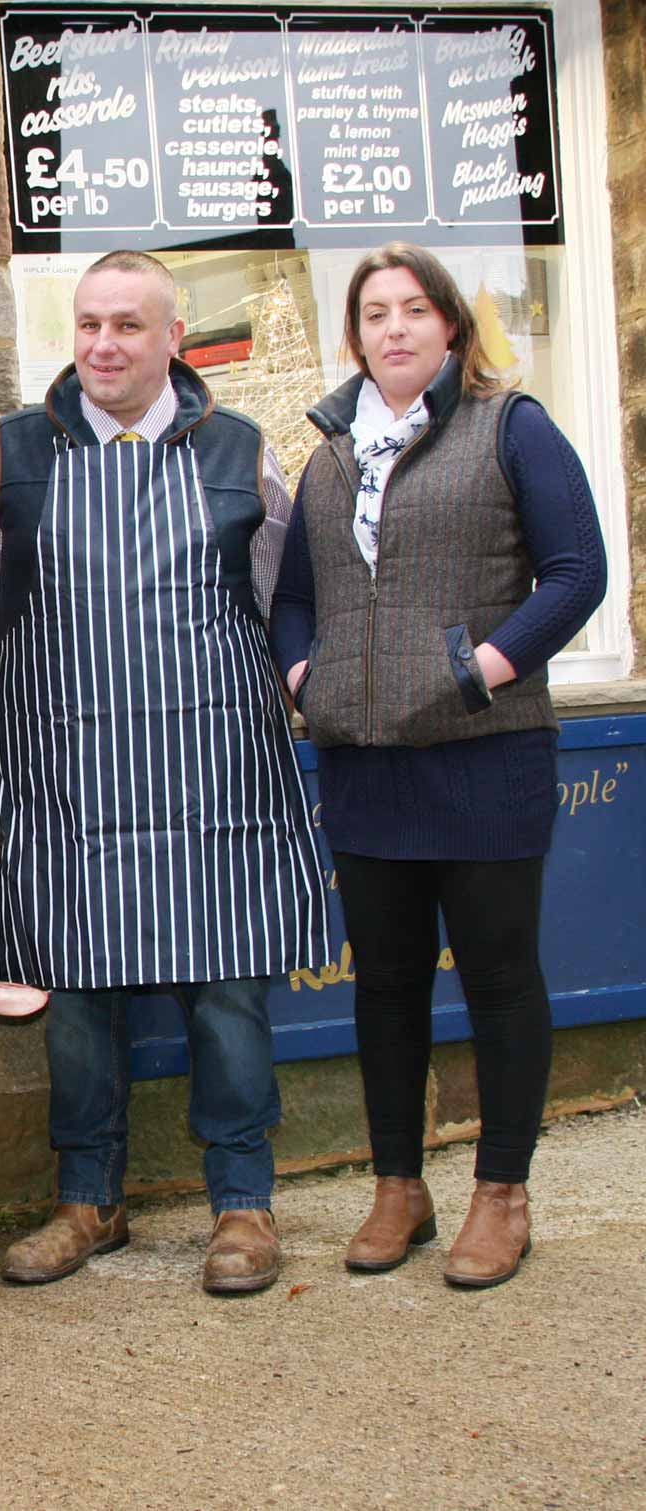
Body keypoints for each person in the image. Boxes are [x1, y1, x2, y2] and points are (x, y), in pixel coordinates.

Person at [0, 250, 329, 1295]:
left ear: (175, 337)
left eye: (128, 325)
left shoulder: (242, 453)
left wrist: (324, 704)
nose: (104, 345)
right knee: (73, 993)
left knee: (227, 991)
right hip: (67, 770)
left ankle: (244, 1205)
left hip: (214, 771)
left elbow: (285, 606)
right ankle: (90, 1199)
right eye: (88, 325)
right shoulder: (14, 455)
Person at [270, 243, 606, 1288]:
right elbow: (291, 597)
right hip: (367, 764)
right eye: (376, 314)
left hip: (485, 751)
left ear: (451, 326)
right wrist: (302, 677)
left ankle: (502, 1193)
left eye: (417, 309)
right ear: (356, 335)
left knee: (502, 976)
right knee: (388, 984)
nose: (397, 328)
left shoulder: (515, 427)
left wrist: (486, 667)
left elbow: (578, 570)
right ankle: (398, 1188)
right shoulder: (328, 459)